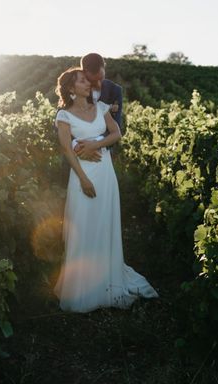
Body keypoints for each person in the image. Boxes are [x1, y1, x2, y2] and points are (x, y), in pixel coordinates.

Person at [53, 67, 158, 312]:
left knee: (103, 221)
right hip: (83, 176)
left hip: (106, 174)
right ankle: (81, 286)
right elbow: (67, 150)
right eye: (82, 81)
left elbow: (116, 133)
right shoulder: (64, 115)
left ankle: (106, 280)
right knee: (83, 224)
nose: (87, 83)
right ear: (71, 88)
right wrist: (83, 180)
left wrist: (94, 145)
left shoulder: (101, 108)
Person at [72, 53, 123, 161]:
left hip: (103, 153)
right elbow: (62, 121)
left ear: (104, 67)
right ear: (84, 72)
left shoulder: (115, 90)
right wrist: (77, 146)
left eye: (102, 78)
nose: (99, 84)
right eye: (94, 81)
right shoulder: (75, 88)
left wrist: (95, 144)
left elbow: (116, 125)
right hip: (77, 154)